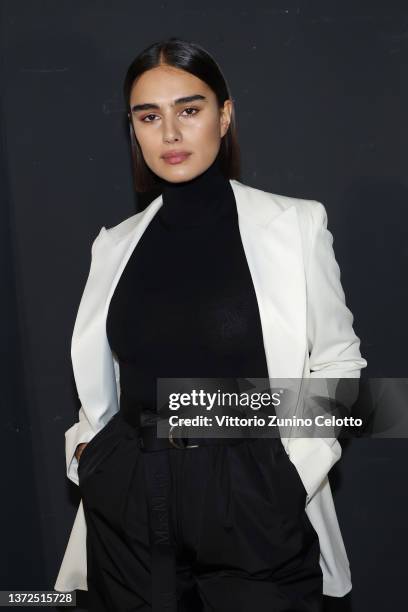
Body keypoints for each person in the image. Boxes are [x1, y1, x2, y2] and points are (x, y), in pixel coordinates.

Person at [54, 37, 367, 611]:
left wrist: (294, 470)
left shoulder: (295, 224)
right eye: (149, 116)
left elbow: (340, 362)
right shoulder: (114, 246)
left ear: (224, 115)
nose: (170, 133)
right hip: (129, 497)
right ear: (134, 129)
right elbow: (103, 381)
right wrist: (90, 453)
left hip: (250, 495)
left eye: (189, 110)